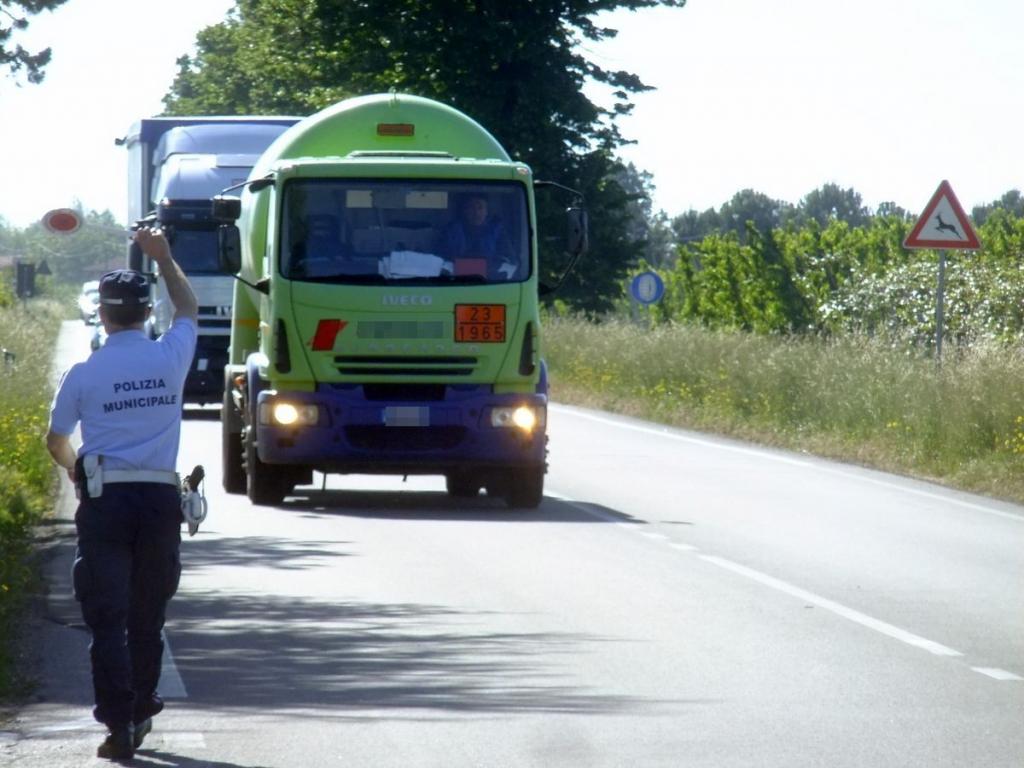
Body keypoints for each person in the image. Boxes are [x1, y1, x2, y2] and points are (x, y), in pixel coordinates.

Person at [46, 227, 198, 761]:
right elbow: (188, 307)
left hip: (106, 503)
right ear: (143, 312)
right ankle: (139, 708)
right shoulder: (170, 356)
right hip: (158, 503)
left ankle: (118, 725)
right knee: (147, 616)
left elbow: (57, 440)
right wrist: (165, 257)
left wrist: (73, 472)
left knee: (107, 617)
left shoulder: (85, 372)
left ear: (103, 316)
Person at [438, 193, 518, 279]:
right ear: (465, 211)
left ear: (486, 211)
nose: (476, 212)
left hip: (490, 281)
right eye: (471, 207)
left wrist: (491, 266)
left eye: (480, 207)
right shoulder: (450, 231)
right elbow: (441, 260)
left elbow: (510, 259)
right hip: (454, 280)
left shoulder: (498, 232)